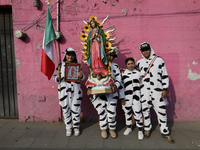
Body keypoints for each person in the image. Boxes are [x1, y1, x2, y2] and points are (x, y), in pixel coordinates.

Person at [136, 42, 174, 143]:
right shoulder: (139, 63)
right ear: (141, 52)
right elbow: (135, 76)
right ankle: (147, 129)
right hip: (144, 92)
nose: (145, 52)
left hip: (157, 92)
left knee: (162, 112)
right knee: (145, 112)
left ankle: (165, 131)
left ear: (150, 49)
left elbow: (165, 75)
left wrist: (165, 89)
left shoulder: (159, 60)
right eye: (143, 50)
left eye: (147, 49)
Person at [87, 50, 123, 139]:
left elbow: (119, 78)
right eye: (110, 55)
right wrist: (89, 87)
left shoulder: (115, 66)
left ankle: (112, 129)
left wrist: (115, 85)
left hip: (112, 92)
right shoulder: (97, 65)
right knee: (101, 112)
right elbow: (91, 78)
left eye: (113, 56)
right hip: (99, 93)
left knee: (111, 112)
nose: (111, 57)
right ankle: (103, 129)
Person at [53, 47, 85, 137]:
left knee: (76, 109)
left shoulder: (77, 66)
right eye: (68, 55)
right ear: (65, 55)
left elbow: (83, 78)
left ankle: (76, 127)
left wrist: (81, 75)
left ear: (74, 56)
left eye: (72, 55)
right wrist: (57, 77)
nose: (70, 57)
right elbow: (54, 77)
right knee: (65, 109)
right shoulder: (60, 66)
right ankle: (68, 127)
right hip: (64, 91)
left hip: (76, 91)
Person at [121, 57, 144, 140]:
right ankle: (129, 127)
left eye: (132, 63)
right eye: (128, 64)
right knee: (127, 112)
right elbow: (121, 86)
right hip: (126, 97)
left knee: (137, 112)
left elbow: (142, 83)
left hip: (137, 96)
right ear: (126, 65)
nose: (130, 65)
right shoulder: (123, 73)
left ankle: (140, 130)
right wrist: (122, 98)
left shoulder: (139, 72)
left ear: (134, 63)